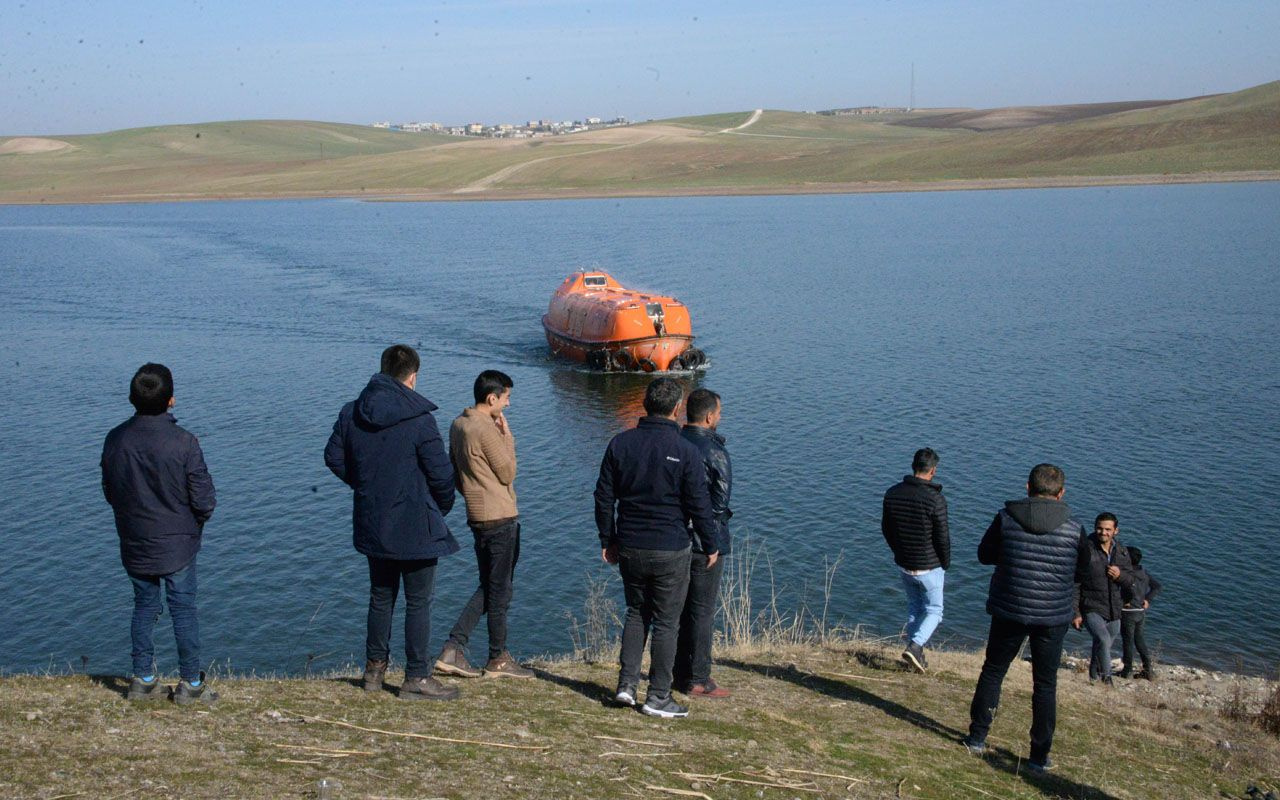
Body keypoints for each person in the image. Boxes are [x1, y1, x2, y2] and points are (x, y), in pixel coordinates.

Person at [325, 344, 461, 701]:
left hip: (374, 519)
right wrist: (437, 507)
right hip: (416, 522)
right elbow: (442, 476)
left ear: (383, 371)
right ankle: (416, 676)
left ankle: (373, 671)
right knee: (418, 601)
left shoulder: (352, 412)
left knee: (380, 597)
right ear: (412, 377)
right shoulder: (419, 420)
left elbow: (333, 457)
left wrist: (364, 485)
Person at [595, 377, 719, 719]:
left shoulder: (620, 444)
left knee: (637, 612)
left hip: (631, 544)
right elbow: (699, 505)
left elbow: (604, 496)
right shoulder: (686, 451)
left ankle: (626, 685)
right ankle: (659, 696)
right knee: (667, 622)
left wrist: (608, 538)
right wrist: (711, 544)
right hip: (670, 547)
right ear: (677, 409)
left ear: (645, 404)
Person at [101, 363, 217, 705]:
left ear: (130, 399)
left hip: (135, 538)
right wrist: (194, 525)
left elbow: (110, 490)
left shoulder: (115, 439)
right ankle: (191, 683)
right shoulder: (185, 443)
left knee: (143, 607)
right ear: (171, 401)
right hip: (178, 541)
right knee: (183, 610)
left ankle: (143, 679)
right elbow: (205, 500)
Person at [963, 464, 1089, 773]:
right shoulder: (1075, 528)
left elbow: (984, 554)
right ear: (1061, 493)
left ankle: (977, 737)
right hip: (1053, 615)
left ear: (1027, 488)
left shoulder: (1006, 519)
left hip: (1010, 608)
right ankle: (1038, 757)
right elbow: (1083, 572)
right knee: (1045, 684)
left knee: (993, 671)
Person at [435, 370, 533, 679]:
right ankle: (495, 657)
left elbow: (456, 474)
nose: (508, 406)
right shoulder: (486, 429)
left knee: (490, 586)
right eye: (506, 399)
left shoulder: (458, 425)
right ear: (491, 398)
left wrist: (473, 495)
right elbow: (507, 473)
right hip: (500, 516)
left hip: (477, 514)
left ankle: (456, 649)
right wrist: (507, 435)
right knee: (499, 590)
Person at [673, 388, 733, 698]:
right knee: (702, 611)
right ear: (709, 417)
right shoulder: (715, 451)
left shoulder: (675, 443)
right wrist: (712, 541)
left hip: (675, 538)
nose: (720, 417)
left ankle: (677, 673)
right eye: (719, 413)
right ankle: (698, 678)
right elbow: (720, 504)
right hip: (705, 543)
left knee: (679, 611)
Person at [881, 447, 950, 673]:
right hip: (929, 566)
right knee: (935, 610)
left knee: (914, 607)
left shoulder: (892, 493)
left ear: (914, 466)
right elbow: (942, 536)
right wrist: (945, 562)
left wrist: (898, 552)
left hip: (904, 563)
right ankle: (916, 644)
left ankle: (914, 656)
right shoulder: (935, 499)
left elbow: (886, 529)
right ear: (933, 471)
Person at [1072, 512, 1134, 685]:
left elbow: (1131, 580)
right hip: (1091, 605)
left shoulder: (1121, 551)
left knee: (1102, 645)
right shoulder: (1086, 549)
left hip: (1114, 607)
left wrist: (1120, 575)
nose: (1103, 532)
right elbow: (1075, 582)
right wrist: (1075, 612)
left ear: (1116, 531)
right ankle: (1107, 679)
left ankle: (1093, 677)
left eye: (1107, 529)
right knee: (1103, 639)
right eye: (1099, 528)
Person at [1118, 546, 1161, 680]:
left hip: (1128, 612)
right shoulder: (1143, 573)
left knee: (1128, 641)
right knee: (1139, 640)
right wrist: (1147, 599)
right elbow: (1157, 586)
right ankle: (1148, 669)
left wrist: (1124, 601)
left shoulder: (1127, 574)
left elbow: (1126, 590)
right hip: (1140, 612)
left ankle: (1127, 670)